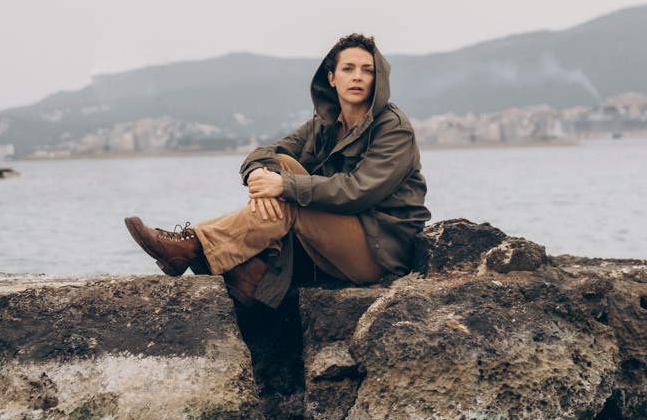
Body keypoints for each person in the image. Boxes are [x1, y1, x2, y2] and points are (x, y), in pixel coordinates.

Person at [124, 34, 430, 308]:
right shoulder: (322, 126)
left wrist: (283, 186)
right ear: (332, 78)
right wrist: (257, 173)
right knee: (279, 165)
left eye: (367, 70)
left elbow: (359, 191)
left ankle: (193, 245)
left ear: (378, 80)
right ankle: (246, 268)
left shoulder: (392, 128)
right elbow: (265, 153)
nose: (358, 77)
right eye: (348, 68)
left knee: (289, 196)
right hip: (334, 246)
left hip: (381, 252)